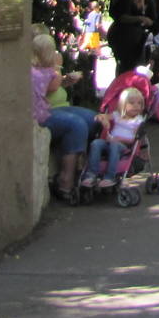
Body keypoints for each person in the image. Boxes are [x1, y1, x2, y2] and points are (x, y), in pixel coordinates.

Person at [31, 33, 97, 201]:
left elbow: (55, 83)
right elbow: (52, 84)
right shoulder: (39, 70)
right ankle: (66, 180)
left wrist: (66, 79)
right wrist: (58, 66)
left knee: (94, 119)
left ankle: (89, 171)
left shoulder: (45, 70)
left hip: (55, 108)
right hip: (43, 113)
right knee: (77, 125)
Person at [83, 86, 146, 187]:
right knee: (96, 143)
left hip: (124, 146)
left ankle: (109, 177)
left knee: (114, 145)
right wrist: (104, 120)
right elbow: (100, 116)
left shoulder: (138, 121)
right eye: (132, 103)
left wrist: (118, 139)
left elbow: (133, 140)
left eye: (139, 103)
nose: (136, 106)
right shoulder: (117, 115)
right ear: (123, 105)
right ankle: (91, 174)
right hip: (109, 142)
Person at [106, 0, 153, 76]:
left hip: (123, 36)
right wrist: (141, 18)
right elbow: (123, 17)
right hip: (126, 36)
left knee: (125, 65)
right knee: (129, 66)